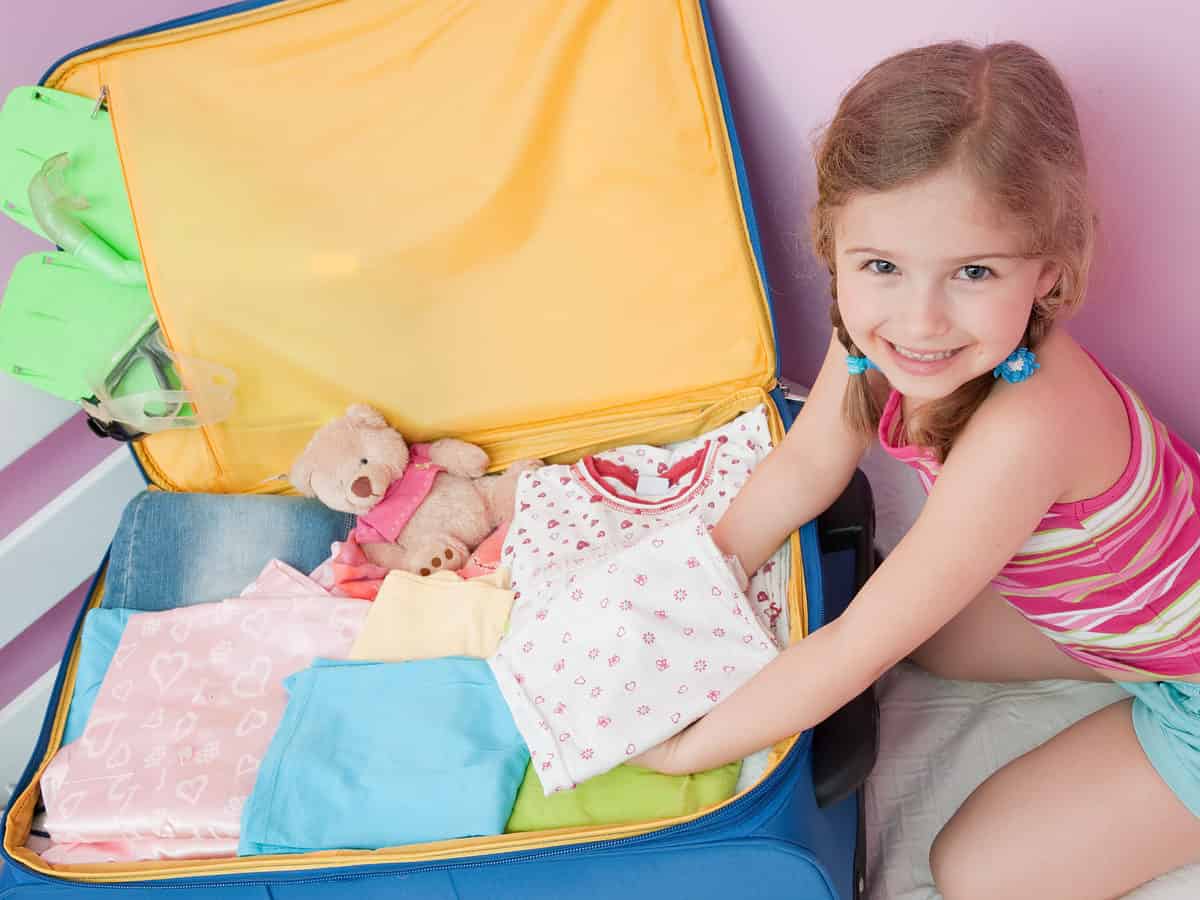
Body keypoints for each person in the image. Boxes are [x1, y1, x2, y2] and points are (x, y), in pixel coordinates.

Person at [634, 40, 1200, 899]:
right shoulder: (873, 330)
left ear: (1046, 270)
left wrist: (684, 749)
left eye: (973, 272)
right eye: (883, 267)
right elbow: (806, 465)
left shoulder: (1029, 427)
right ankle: (1132, 655)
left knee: (973, 872)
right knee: (927, 635)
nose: (922, 320)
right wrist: (692, 582)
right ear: (837, 249)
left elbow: (859, 648)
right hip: (1129, 624)